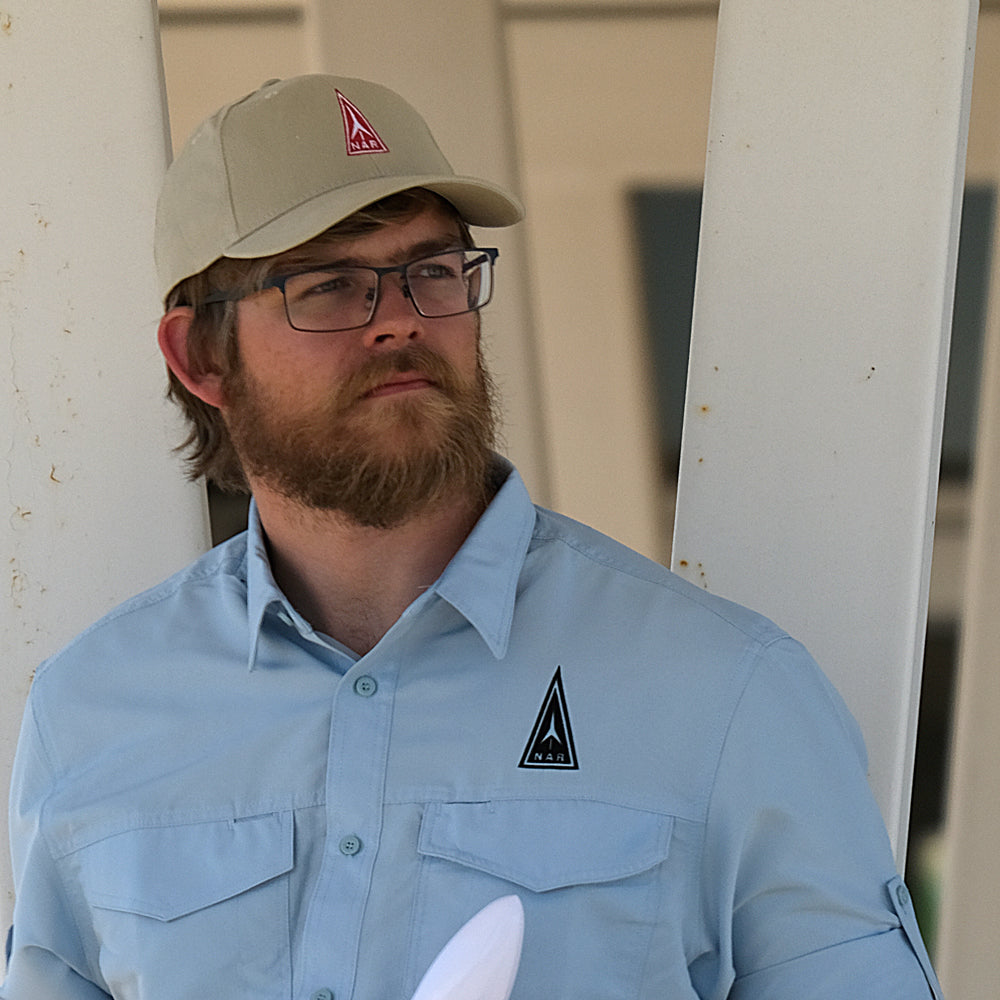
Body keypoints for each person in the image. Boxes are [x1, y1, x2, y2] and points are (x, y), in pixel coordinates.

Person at [2, 74, 942, 1000]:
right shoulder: (88, 713)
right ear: (201, 355)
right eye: (330, 287)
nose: (401, 321)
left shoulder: (728, 693)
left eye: (434, 272)